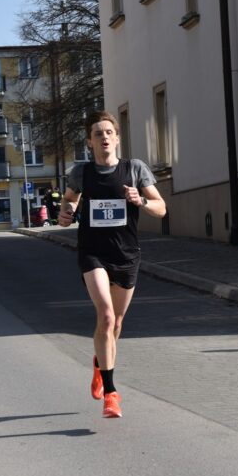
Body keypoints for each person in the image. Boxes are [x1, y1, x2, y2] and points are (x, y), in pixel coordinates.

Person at [58, 111, 166, 419]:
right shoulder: (81, 172)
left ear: (116, 138)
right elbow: (69, 200)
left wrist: (141, 201)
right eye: (97, 133)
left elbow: (161, 208)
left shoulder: (135, 170)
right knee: (105, 315)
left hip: (126, 254)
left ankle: (99, 363)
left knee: (116, 324)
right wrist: (66, 213)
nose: (104, 137)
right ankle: (111, 392)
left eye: (108, 132)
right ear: (90, 142)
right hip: (92, 252)